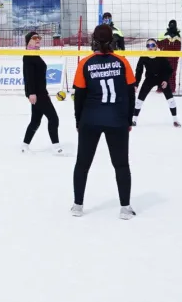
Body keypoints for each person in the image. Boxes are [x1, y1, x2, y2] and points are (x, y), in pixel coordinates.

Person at [71, 24, 137, 220]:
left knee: (82, 163)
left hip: (90, 119)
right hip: (117, 119)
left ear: (93, 40)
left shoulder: (85, 63)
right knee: (121, 164)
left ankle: (77, 205)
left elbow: (79, 97)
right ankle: (125, 208)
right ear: (112, 40)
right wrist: (129, 119)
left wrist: (78, 121)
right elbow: (130, 94)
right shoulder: (122, 61)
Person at [21, 31, 62, 154]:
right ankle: (56, 147)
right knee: (53, 119)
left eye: (39, 38)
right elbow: (28, 76)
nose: (38, 39)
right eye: (34, 38)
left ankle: (24, 145)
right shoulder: (28, 55)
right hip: (38, 94)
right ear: (28, 41)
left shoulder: (35, 54)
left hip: (41, 92)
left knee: (35, 121)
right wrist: (31, 93)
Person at [133, 39, 181, 128]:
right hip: (150, 79)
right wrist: (136, 84)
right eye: (148, 45)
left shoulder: (161, 54)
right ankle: (134, 120)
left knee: (170, 100)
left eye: (152, 45)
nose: (150, 47)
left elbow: (169, 70)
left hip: (161, 79)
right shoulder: (144, 56)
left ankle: (175, 120)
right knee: (139, 100)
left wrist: (165, 80)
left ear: (156, 46)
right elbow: (139, 71)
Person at [157, 19, 181, 92]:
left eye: (173, 24)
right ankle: (161, 88)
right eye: (171, 24)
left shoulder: (178, 36)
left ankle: (171, 88)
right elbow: (158, 44)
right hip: (164, 57)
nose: (172, 26)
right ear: (168, 25)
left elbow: (179, 47)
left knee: (172, 73)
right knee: (162, 72)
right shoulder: (163, 34)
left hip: (174, 58)